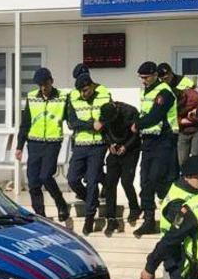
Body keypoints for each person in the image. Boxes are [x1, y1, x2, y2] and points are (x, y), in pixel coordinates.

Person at [15, 67, 70, 221]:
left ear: (51, 81)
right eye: (40, 85)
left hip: (52, 143)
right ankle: (40, 215)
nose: (43, 88)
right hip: (34, 143)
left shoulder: (63, 97)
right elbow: (25, 123)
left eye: (45, 84)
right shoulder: (32, 97)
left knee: (46, 176)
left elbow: (70, 119)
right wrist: (19, 146)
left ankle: (61, 204)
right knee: (33, 181)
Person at [131, 61, 179, 237]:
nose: (143, 81)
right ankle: (149, 220)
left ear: (154, 75)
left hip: (164, 140)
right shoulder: (147, 91)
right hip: (149, 141)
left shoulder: (164, 92)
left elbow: (155, 115)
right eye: (141, 78)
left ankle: (172, 218)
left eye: (146, 77)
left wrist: (138, 124)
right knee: (145, 181)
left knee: (157, 180)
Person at [66, 72, 112, 235]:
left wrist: (103, 124)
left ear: (92, 86)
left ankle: (89, 217)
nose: (83, 94)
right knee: (72, 179)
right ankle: (91, 201)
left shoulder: (104, 94)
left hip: (98, 145)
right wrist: (91, 124)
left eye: (85, 90)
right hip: (80, 144)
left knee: (92, 180)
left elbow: (110, 115)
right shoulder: (73, 98)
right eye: (81, 91)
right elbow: (72, 122)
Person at [98, 101, 142, 236]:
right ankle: (111, 218)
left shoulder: (130, 112)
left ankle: (135, 208)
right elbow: (103, 131)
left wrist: (126, 147)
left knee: (126, 181)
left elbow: (136, 134)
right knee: (110, 183)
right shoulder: (105, 113)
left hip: (131, 149)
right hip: (114, 148)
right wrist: (110, 144)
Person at [158, 62, 198, 168]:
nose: (165, 79)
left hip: (194, 124)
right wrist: (179, 121)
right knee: (180, 160)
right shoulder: (161, 86)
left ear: (171, 73)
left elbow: (197, 101)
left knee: (196, 158)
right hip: (177, 127)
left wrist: (190, 118)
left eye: (166, 76)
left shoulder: (185, 83)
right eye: (162, 78)